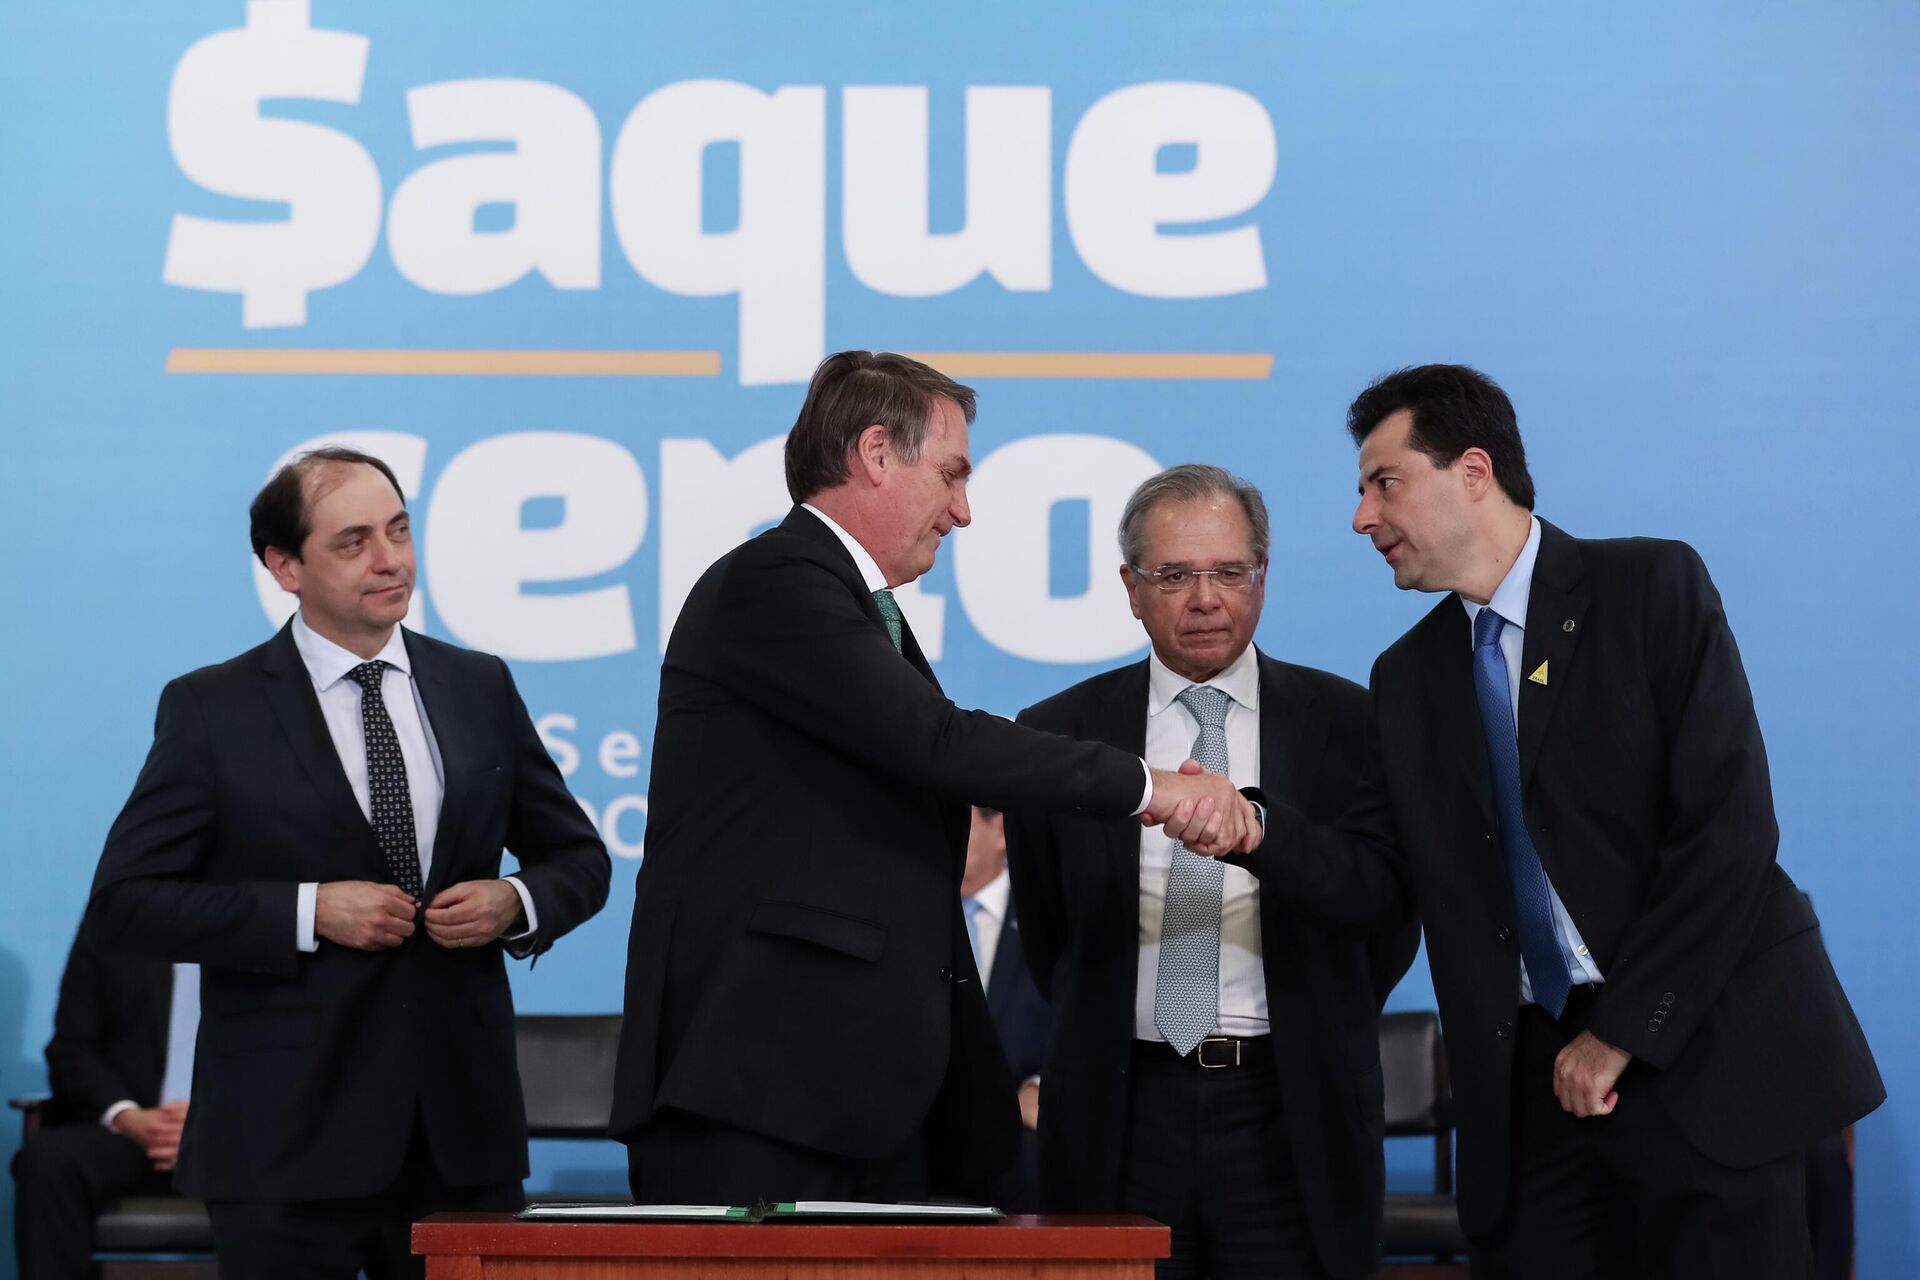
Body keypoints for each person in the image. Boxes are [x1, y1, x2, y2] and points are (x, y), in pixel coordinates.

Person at [1233, 365, 1882, 1278]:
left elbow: (1728, 835)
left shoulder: (1650, 587)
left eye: (1384, 483)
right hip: (1534, 1097)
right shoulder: (1408, 678)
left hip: (1703, 1059)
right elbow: (1380, 876)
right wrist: (1254, 828)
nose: (1361, 519)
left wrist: (1621, 1033)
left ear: (1471, 471)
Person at [610, 350, 1256, 1205]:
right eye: (951, 475)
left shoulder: (853, 607)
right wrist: (1155, 788)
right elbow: (937, 742)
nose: (963, 511)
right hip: (760, 1086)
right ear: (876, 454)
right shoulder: (776, 582)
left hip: (839, 1086)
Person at [85, 448, 612, 1279]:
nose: (391, 559)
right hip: (284, 1143)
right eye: (354, 541)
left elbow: (577, 857)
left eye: (399, 530)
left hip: (460, 1140)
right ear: (283, 566)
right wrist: (308, 911)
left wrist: (515, 901)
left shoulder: (477, 684)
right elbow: (128, 901)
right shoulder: (212, 708)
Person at [1004, 464, 1419, 1279]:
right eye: (1175, 575)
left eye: (1229, 572)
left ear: (1261, 578)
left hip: (1290, 1109)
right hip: (1123, 1111)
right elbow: (1053, 930)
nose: (1205, 598)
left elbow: (1383, 909)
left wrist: (1259, 834)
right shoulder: (1059, 734)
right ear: (1131, 587)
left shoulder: (1352, 724)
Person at [11, 934, 193, 1280]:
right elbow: (70, 1050)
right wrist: (127, 1117)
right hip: (135, 1136)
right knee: (46, 1160)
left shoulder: (263, 936)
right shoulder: (112, 930)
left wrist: (211, 1131)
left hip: (237, 1145)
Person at [960, 805, 1048, 1212]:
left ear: (1001, 832)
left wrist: (1041, 1086)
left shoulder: (1045, 912)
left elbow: (1081, 1016)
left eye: (959, 816)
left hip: (1021, 1148)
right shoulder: (913, 910)